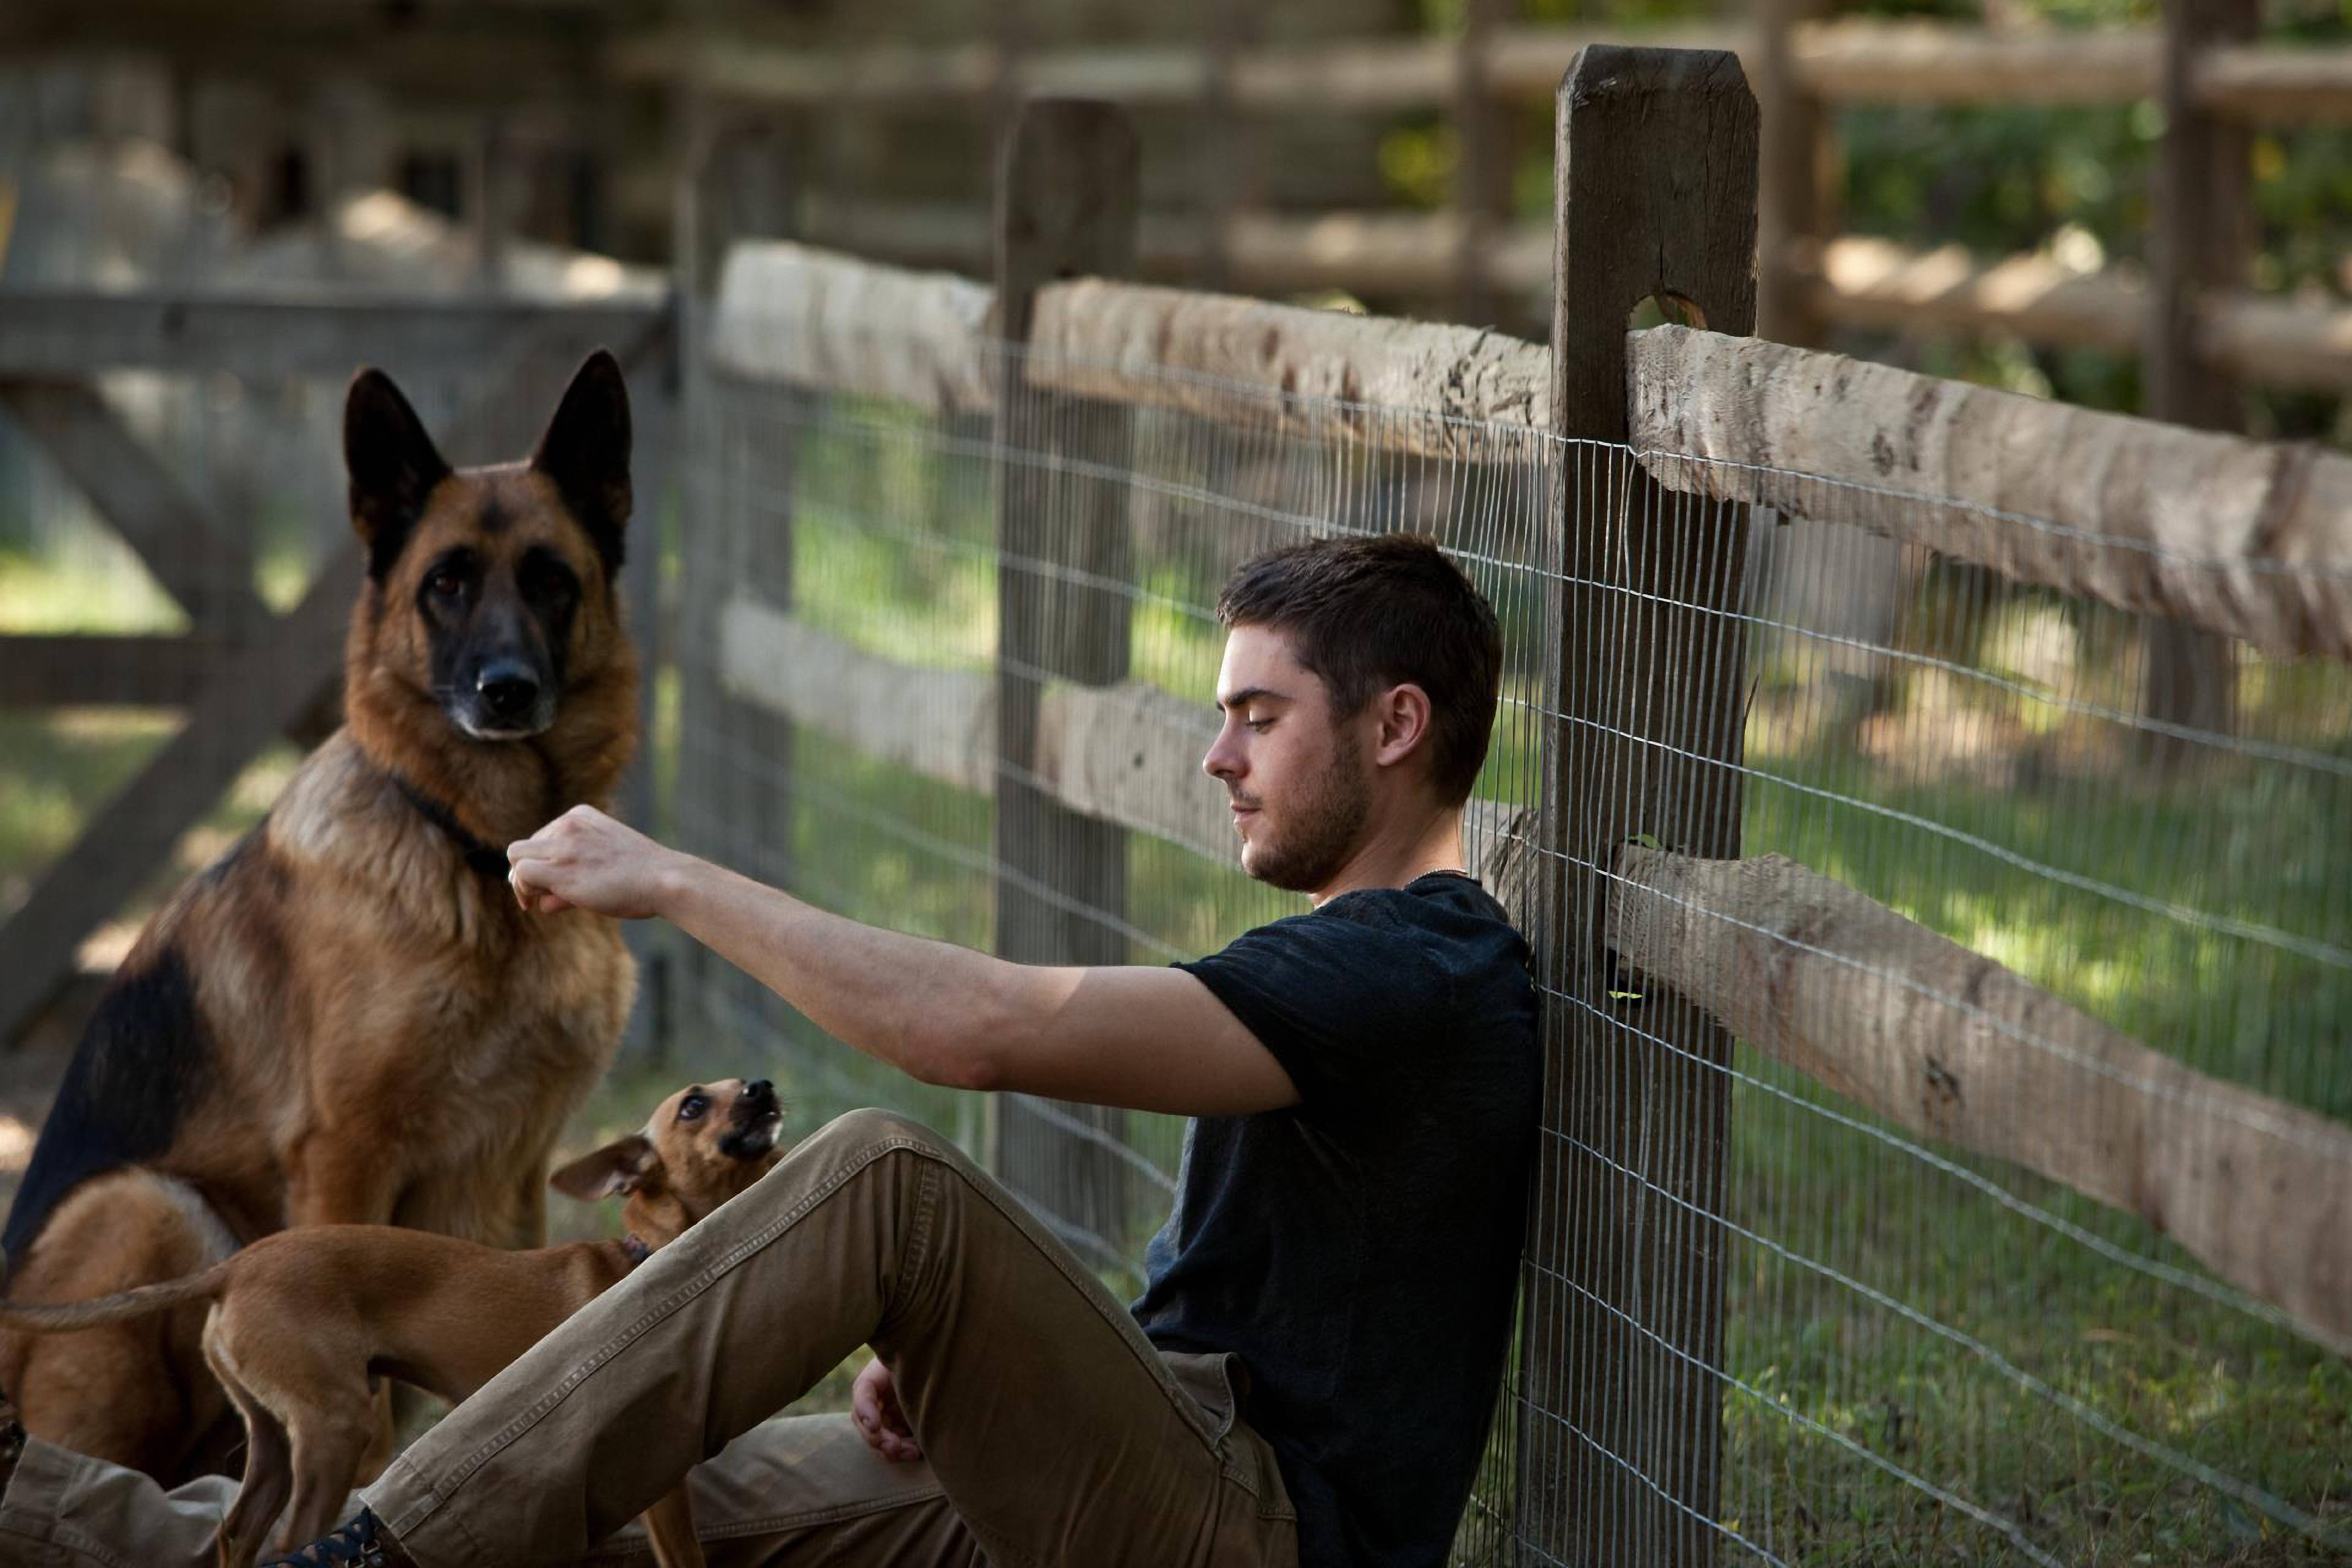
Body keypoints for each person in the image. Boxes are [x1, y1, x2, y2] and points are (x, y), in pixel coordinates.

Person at [0, 533, 1539, 1568]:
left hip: (1255, 1529)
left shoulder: (1418, 965)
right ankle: (33, 1500)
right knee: (603, 1485)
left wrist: (668, 878)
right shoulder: (1355, 962)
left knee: (889, 1181)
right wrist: (989, 1388)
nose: (1217, 756)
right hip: (1150, 1465)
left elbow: (991, 1032)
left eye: (1259, 717)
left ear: (1396, 725)